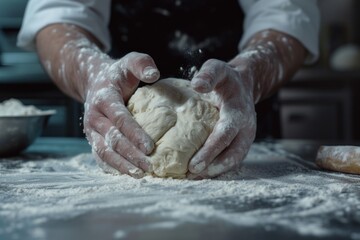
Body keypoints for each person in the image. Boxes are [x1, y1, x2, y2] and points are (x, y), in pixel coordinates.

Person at [17, 0, 320, 179]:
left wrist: (248, 76)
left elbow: (288, 15)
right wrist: (94, 74)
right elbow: (57, 16)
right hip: (116, 113)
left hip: (237, 115)